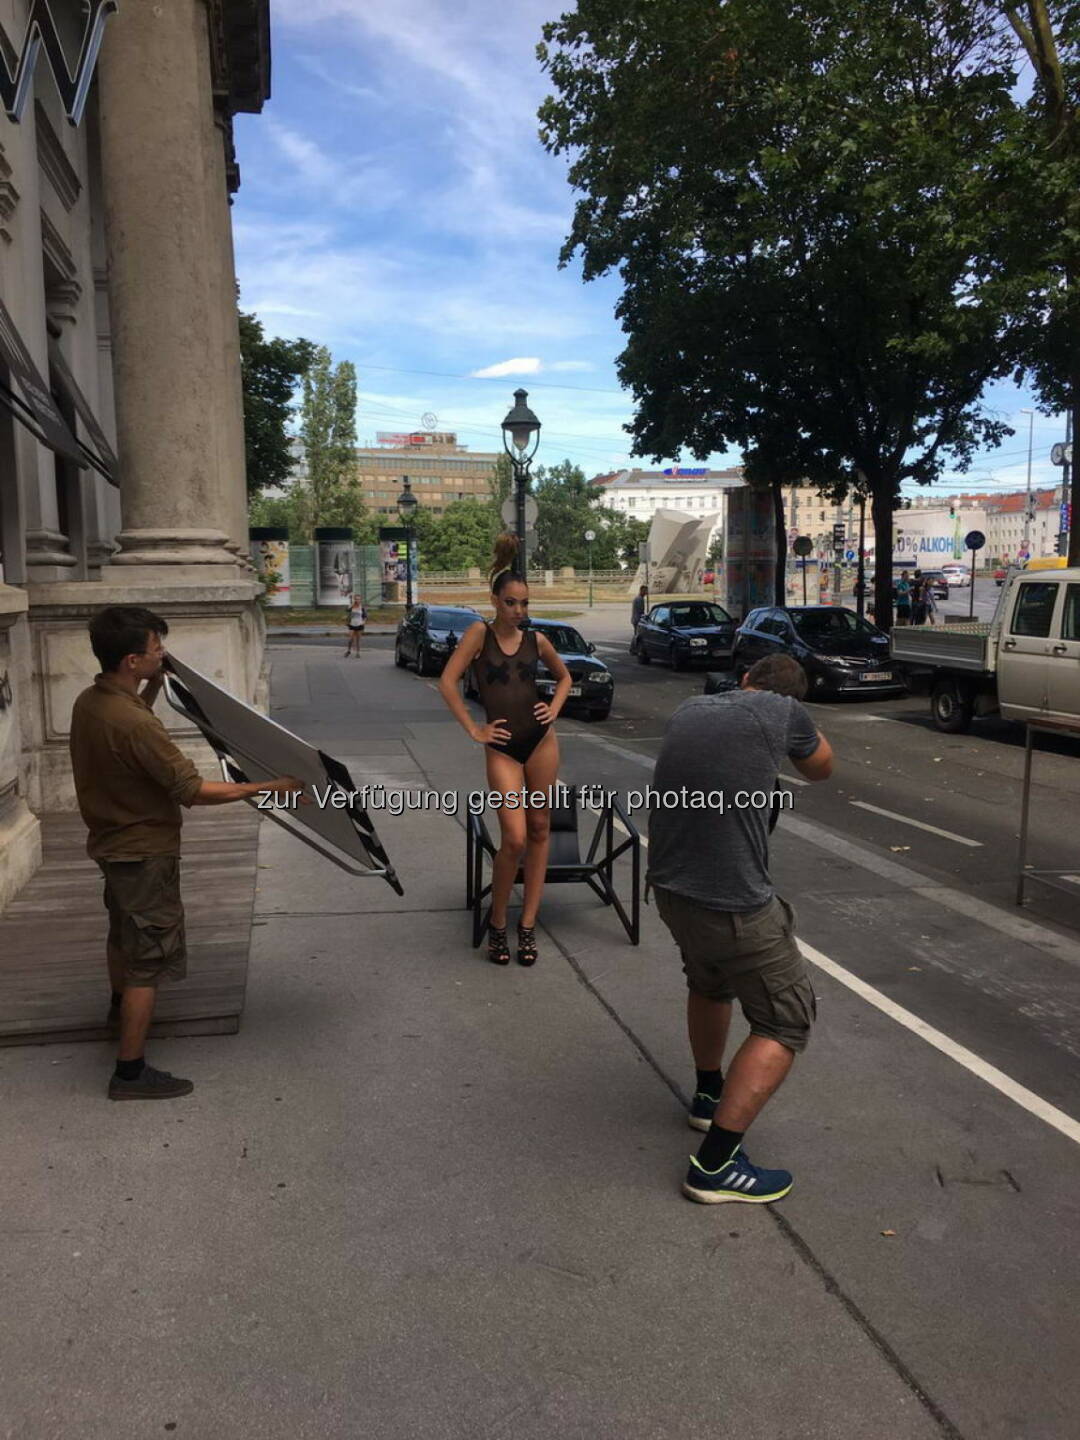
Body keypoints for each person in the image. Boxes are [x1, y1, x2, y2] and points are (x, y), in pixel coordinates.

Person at [69, 606, 302, 1101]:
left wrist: (155, 684)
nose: (163, 654)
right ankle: (129, 1072)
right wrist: (272, 785)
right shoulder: (133, 724)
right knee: (147, 962)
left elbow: (134, 726)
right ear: (133, 659)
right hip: (144, 852)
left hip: (111, 845)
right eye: (156, 649)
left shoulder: (91, 702)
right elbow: (191, 789)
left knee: (123, 935)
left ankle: (118, 1009)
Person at [647, 653, 833, 1204]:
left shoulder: (690, 707)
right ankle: (716, 1164)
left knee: (709, 983)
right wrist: (796, 729)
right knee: (787, 1019)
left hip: (672, 888)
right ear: (788, 696)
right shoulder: (783, 711)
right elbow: (822, 767)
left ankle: (708, 1097)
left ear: (744, 678)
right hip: (732, 904)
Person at [438, 536, 572, 967]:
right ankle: (499, 921)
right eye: (511, 602)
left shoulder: (538, 641)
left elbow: (565, 679)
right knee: (513, 838)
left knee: (539, 829)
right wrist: (473, 729)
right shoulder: (479, 633)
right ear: (495, 599)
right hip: (502, 749)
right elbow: (448, 682)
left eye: (524, 603)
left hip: (541, 744)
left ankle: (527, 925)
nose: (519, 611)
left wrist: (552, 709)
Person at [630, 585, 648, 653]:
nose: (646, 592)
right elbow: (641, 611)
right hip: (637, 619)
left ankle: (633, 649)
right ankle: (633, 649)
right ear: (641, 590)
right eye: (645, 591)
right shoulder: (639, 599)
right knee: (637, 635)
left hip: (635, 618)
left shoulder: (638, 598)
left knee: (636, 634)